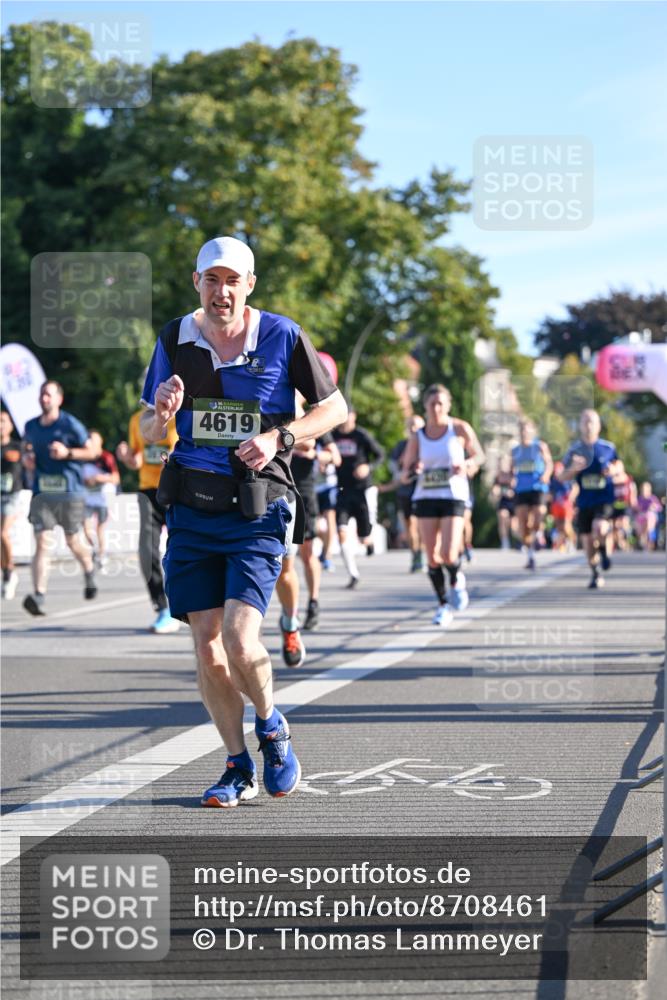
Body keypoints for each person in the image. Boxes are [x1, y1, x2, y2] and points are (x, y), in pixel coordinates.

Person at [139, 236, 346, 806]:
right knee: (207, 649)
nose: (222, 291)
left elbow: (335, 408)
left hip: (259, 504)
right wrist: (161, 415)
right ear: (197, 282)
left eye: (233, 281)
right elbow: (150, 429)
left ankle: (272, 725)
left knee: (238, 637)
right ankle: (236, 765)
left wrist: (281, 437)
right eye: (212, 280)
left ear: (249, 285)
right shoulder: (174, 339)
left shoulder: (282, 335)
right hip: (191, 507)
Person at [402, 384, 485, 627]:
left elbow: (479, 456)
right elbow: (405, 474)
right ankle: (442, 605)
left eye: (440, 404)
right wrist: (415, 469)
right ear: (425, 407)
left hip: (453, 496)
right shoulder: (418, 436)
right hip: (425, 497)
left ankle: (456, 579)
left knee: (448, 553)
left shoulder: (459, 428)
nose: (436, 408)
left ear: (448, 405)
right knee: (432, 557)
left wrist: (467, 465)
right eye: (432, 404)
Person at [21, 380, 100, 615]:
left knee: (72, 541)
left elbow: (93, 451)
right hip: (42, 493)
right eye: (42, 394)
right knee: (42, 543)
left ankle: (88, 567)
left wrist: (68, 452)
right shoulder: (31, 426)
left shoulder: (70, 424)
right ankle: (39, 596)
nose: (44, 398)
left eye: (48, 394)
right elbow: (26, 449)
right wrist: (27, 459)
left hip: (70, 493)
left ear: (59, 399)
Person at [275, 401, 339, 664]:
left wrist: (314, 454)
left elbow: (330, 454)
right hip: (252, 486)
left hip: (300, 489)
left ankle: (307, 606)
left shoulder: (312, 415)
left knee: (303, 554)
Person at [116, 408, 181, 633]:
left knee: (181, 550)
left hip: (176, 490)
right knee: (146, 550)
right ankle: (162, 608)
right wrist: (127, 457)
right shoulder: (137, 419)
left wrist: (174, 459)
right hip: (148, 492)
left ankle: (187, 604)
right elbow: (136, 460)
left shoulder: (180, 416)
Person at [558, 409, 619, 589]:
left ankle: (604, 551)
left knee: (599, 527)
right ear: (580, 426)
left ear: (598, 426)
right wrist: (574, 468)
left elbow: (619, 465)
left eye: (592, 421)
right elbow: (561, 476)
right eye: (585, 421)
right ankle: (595, 573)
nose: (588, 425)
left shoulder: (608, 448)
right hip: (584, 502)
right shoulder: (574, 450)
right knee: (587, 542)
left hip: (604, 499)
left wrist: (613, 470)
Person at [333, 407, 385, 588]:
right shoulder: (333, 436)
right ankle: (353, 574)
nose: (346, 420)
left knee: (364, 537)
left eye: (349, 416)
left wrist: (368, 467)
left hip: (362, 490)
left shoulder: (361, 435)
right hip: (342, 490)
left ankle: (368, 541)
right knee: (341, 533)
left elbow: (380, 455)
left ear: (354, 417)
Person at [382, 414, 425, 572]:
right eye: (411, 425)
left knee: (422, 524)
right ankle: (416, 555)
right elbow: (393, 468)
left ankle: (424, 553)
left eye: (417, 426)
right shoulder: (401, 446)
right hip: (405, 491)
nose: (414, 429)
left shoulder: (427, 445)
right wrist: (402, 469)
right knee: (410, 525)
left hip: (423, 490)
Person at [510, 419, 553, 570]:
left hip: (538, 486)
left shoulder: (540, 446)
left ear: (532, 431)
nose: (524, 432)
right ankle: (530, 555)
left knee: (539, 514)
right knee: (523, 525)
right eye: (521, 429)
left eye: (527, 429)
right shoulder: (515, 450)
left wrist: (546, 475)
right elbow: (511, 469)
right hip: (521, 489)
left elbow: (549, 464)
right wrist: (511, 478)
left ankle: (539, 533)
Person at [82, 430, 120, 572]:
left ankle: (102, 555)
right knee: (86, 527)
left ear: (100, 442)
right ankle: (95, 548)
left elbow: (115, 478)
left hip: (103, 499)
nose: (91, 443)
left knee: (100, 528)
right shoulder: (84, 458)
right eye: (89, 440)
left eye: (94, 440)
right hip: (88, 498)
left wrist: (99, 479)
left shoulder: (106, 457)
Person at [1, 410, 23, 600]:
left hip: (12, 496)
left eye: (3, 421)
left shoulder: (17, 446)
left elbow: (26, 463)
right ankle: (7, 570)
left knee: (3, 533)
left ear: (10, 425)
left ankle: (9, 572)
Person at [549, 461, 577, 552]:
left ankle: (572, 543)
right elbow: (550, 493)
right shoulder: (553, 481)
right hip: (556, 506)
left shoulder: (568, 479)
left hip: (566, 506)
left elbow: (575, 488)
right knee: (559, 527)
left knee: (566, 526)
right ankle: (564, 544)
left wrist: (571, 498)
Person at [491, 455, 515, 550]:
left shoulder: (513, 474)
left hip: (514, 502)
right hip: (503, 502)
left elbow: (515, 489)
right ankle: (505, 542)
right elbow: (495, 490)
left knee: (513, 526)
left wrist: (506, 491)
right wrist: (502, 491)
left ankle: (520, 542)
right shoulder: (498, 476)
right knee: (502, 517)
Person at [611, 461, 636, 552]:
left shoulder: (628, 479)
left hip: (625, 505)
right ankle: (619, 542)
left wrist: (633, 502)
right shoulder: (611, 479)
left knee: (625, 523)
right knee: (615, 525)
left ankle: (630, 541)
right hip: (614, 505)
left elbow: (632, 490)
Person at [634, 481, 662, 551]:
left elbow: (659, 507)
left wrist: (653, 506)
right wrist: (637, 508)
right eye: (643, 490)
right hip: (641, 517)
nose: (644, 491)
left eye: (646, 490)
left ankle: (647, 540)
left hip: (650, 516)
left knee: (649, 520)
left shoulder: (652, 498)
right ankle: (642, 539)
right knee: (639, 523)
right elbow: (635, 507)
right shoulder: (640, 498)